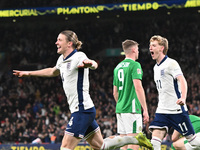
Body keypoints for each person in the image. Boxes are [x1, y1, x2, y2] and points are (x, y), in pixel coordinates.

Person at [13, 30, 153, 150]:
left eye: (59, 40)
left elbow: (93, 64)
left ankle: (136, 139)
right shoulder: (61, 60)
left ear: (69, 43)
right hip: (82, 109)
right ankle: (135, 139)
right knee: (101, 146)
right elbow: (52, 71)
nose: (56, 42)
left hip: (82, 109)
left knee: (65, 147)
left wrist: (90, 64)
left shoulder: (78, 57)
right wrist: (28, 73)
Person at [148, 35, 200, 150]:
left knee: (194, 142)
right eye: (150, 45)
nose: (150, 48)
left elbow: (182, 80)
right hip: (162, 110)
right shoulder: (155, 68)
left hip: (176, 109)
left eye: (154, 45)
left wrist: (183, 97)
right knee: (155, 142)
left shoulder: (171, 63)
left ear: (161, 48)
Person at [113, 40, 149, 150]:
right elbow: (138, 87)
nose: (138, 52)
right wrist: (145, 109)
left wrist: (122, 103)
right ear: (133, 50)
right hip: (132, 109)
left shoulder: (117, 67)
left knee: (123, 144)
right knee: (134, 142)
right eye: (137, 50)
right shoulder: (135, 65)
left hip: (120, 109)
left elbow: (115, 92)